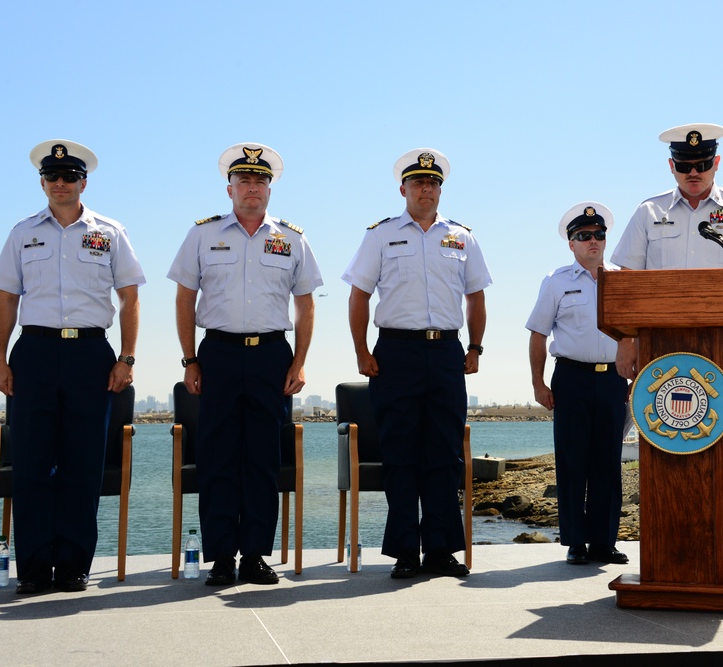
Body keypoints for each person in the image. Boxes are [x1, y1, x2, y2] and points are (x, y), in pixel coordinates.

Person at [0, 140, 145, 594]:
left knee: (82, 464)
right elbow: (6, 298)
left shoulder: (110, 232)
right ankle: (35, 568)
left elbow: (130, 296)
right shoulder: (22, 232)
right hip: (33, 353)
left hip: (90, 356)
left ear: (83, 182)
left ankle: (73, 565)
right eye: (52, 177)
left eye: (69, 177)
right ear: (42, 183)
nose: (61, 184)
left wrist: (127, 356)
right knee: (33, 463)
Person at [611, 123, 723, 519]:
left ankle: (720, 541)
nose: (694, 172)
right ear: (671, 166)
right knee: (665, 443)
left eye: (703, 164)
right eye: (685, 164)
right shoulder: (648, 212)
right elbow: (626, 284)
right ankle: (664, 548)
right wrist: (626, 342)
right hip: (660, 351)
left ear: (716, 163)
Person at [167, 143, 323, 586]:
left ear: (269, 189)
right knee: (217, 457)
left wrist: (300, 361)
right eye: (244, 181)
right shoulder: (202, 235)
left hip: (272, 356)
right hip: (216, 353)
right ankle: (220, 556)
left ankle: (254, 554)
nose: (252, 188)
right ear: (229, 187)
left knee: (261, 458)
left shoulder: (292, 238)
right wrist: (190, 359)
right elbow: (184, 298)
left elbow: (306, 303)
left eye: (260, 181)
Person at [343, 148, 492, 579]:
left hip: (446, 352)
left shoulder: (463, 237)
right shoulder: (380, 235)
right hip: (396, 353)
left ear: (440, 189)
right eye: (419, 182)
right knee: (401, 453)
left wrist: (476, 347)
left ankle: (441, 550)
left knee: (444, 455)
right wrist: (361, 350)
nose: (427, 189)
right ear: (403, 188)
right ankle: (406, 550)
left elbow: (476, 296)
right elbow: (359, 295)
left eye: (434, 183)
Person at [526, 202, 630, 565]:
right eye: (584, 237)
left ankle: (604, 542)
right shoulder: (556, 282)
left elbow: (635, 333)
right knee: (573, 463)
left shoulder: (623, 279)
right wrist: (539, 384)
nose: (593, 242)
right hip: (571, 378)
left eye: (599, 235)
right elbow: (538, 333)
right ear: (571, 244)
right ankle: (576, 542)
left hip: (614, 381)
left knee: (607, 463)